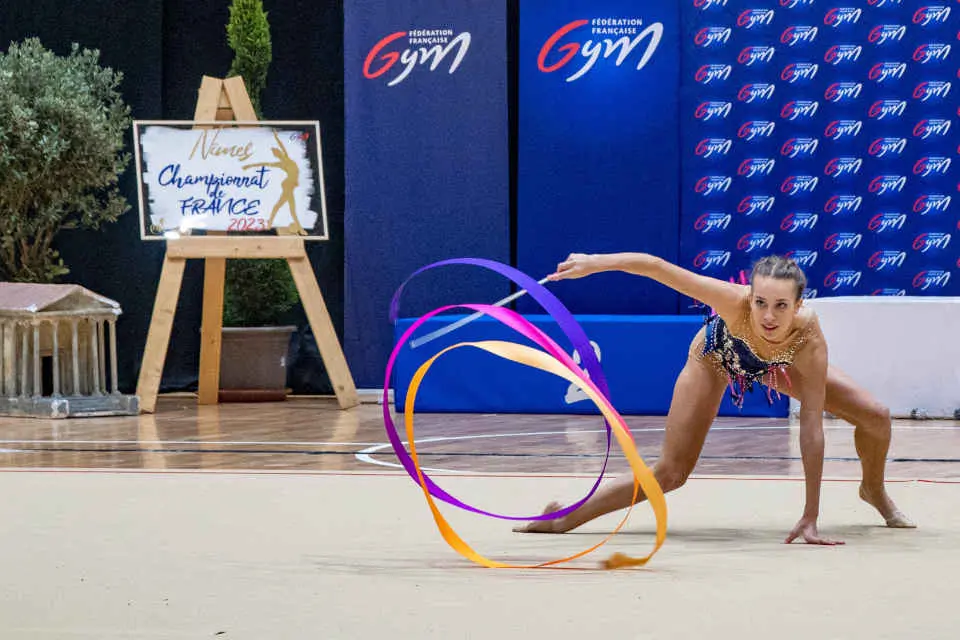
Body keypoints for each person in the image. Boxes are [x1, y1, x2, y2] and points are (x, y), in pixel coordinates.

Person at [513, 252, 915, 545]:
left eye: (781, 306)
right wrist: (593, 263)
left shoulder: (809, 338)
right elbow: (656, 267)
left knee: (875, 415)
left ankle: (873, 490)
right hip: (715, 358)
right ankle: (565, 518)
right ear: (749, 297)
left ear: (799, 306)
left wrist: (811, 516)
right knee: (671, 472)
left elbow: (811, 428)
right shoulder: (731, 301)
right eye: (760, 303)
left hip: (775, 365)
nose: (768, 316)